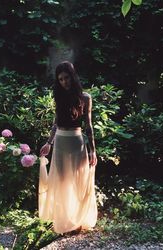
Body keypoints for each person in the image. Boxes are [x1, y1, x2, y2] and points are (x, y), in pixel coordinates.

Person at [39, 61, 97, 234]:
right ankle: (65, 220)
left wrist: (93, 149)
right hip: (60, 142)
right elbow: (56, 124)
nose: (64, 82)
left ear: (73, 76)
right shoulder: (59, 97)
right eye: (61, 79)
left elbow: (89, 125)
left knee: (78, 181)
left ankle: (78, 220)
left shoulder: (85, 98)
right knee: (62, 181)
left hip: (77, 142)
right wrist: (49, 143)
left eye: (67, 77)